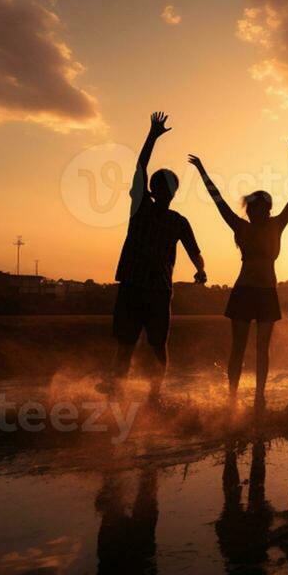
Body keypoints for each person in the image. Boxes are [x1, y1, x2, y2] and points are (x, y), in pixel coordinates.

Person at [104, 111, 205, 404]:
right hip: (133, 285)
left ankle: (154, 395)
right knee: (125, 344)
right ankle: (117, 391)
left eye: (169, 188)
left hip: (159, 291)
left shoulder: (178, 221)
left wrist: (201, 270)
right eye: (160, 187)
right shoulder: (140, 208)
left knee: (158, 345)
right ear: (152, 189)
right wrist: (152, 135)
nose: (165, 191)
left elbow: (195, 252)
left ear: (174, 192)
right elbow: (139, 168)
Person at [188, 146, 288, 410]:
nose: (252, 212)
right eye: (250, 209)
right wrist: (202, 171)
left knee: (260, 350)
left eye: (257, 208)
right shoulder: (242, 227)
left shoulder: (275, 225)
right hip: (246, 291)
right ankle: (233, 397)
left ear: (266, 210)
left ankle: (259, 397)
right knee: (239, 348)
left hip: (264, 292)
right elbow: (218, 202)